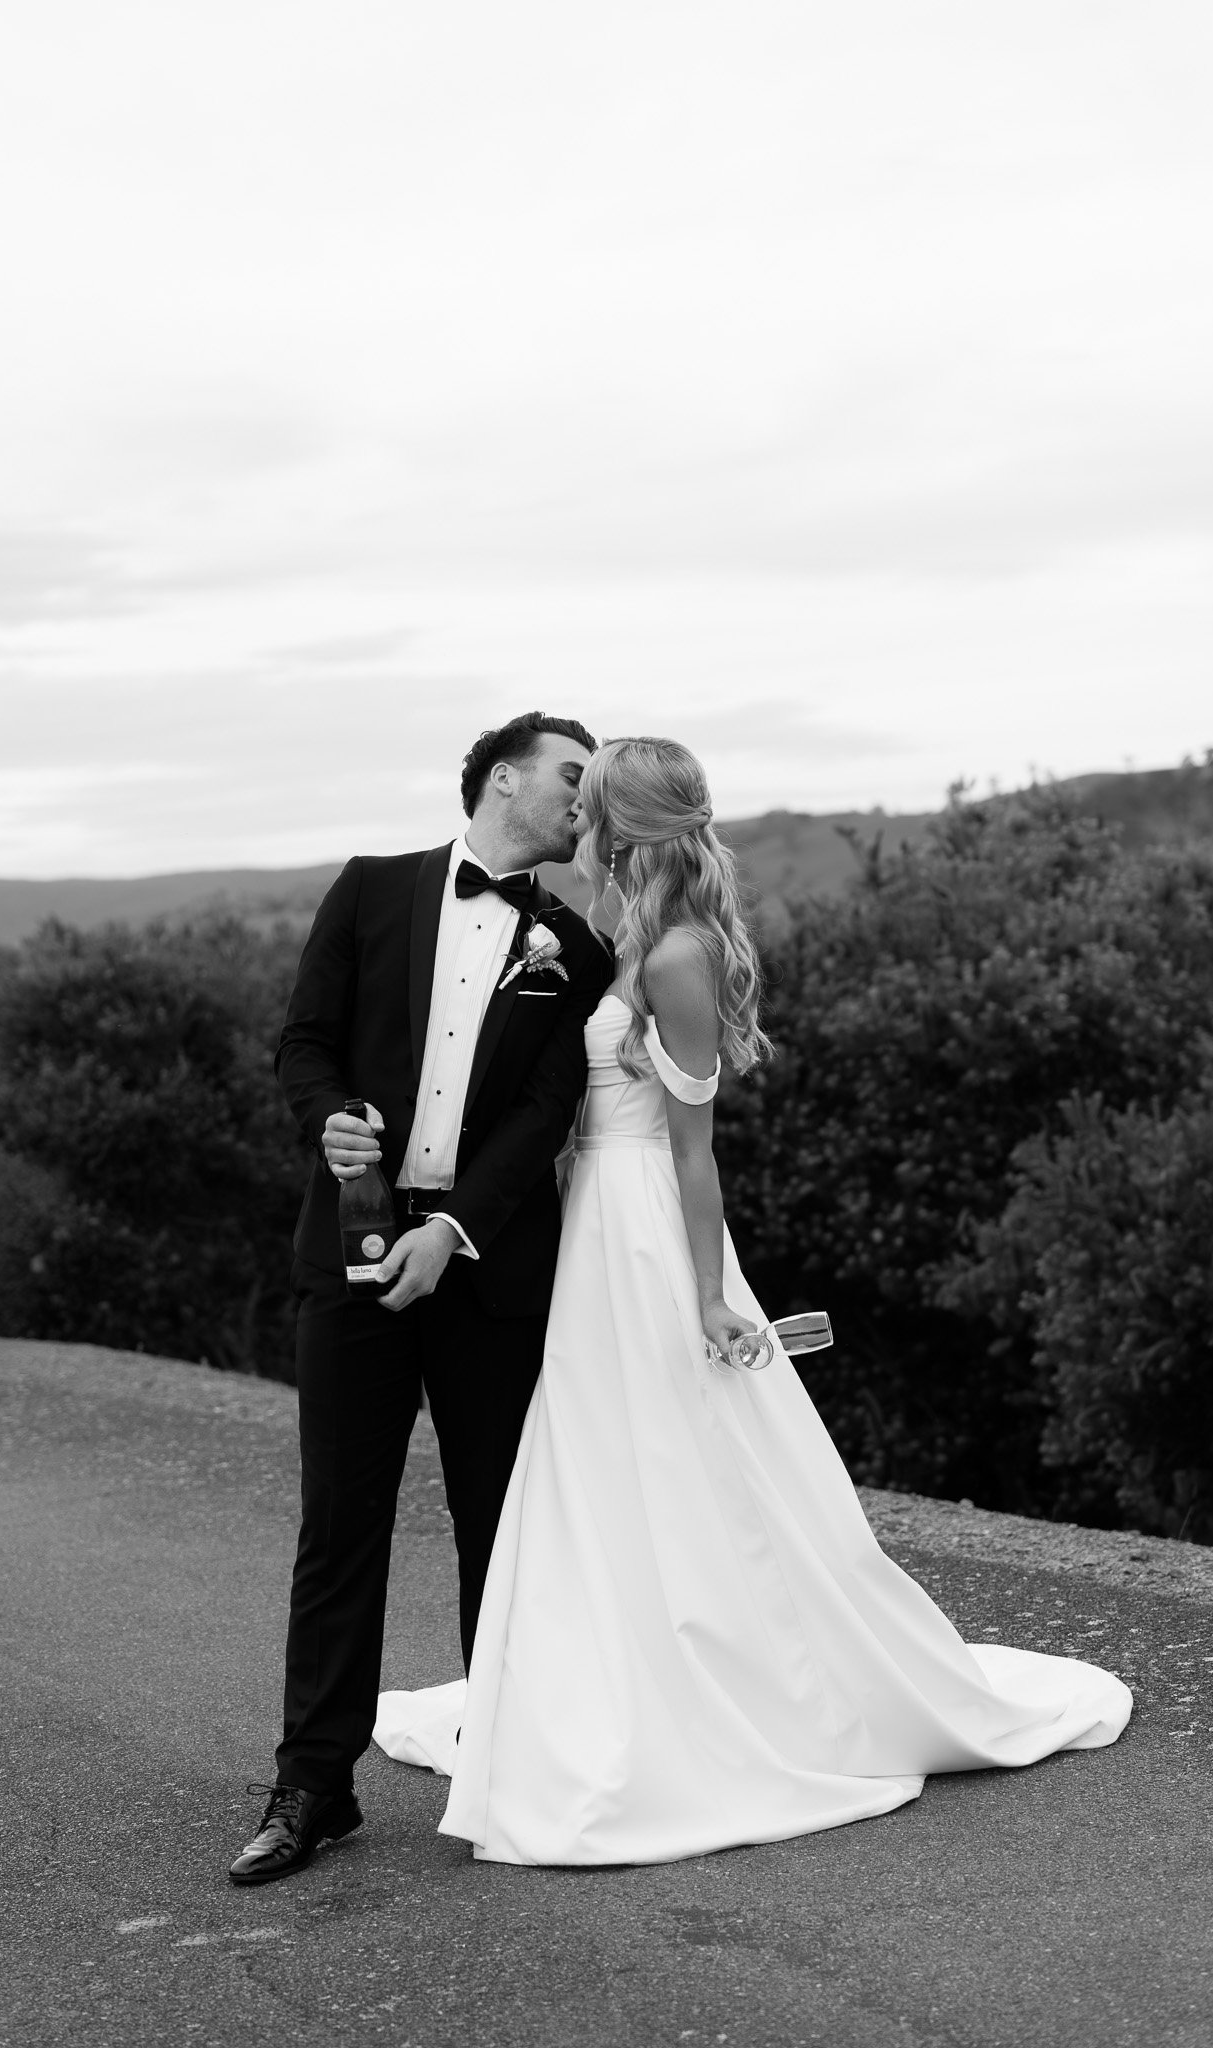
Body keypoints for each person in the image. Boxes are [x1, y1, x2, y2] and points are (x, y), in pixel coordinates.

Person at [374, 735, 1132, 1865]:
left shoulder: (677, 953)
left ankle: (707, 1688)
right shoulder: (618, 931)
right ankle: (591, 1673)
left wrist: (707, 1294)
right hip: (589, 1222)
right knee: (593, 1456)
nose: (573, 811)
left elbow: (694, 1153)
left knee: (666, 1453)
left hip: (638, 1233)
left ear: (620, 825)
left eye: (590, 799)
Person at [229, 712, 613, 1885]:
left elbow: (542, 1117)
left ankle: (507, 1771)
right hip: (349, 1259)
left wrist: (451, 1230)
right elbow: (302, 1042)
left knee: (501, 1525)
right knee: (340, 1522)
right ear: (504, 777)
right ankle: (313, 1787)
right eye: (570, 779)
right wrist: (326, 1114)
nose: (582, 803)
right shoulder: (372, 888)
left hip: (486, 1271)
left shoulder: (577, 950)